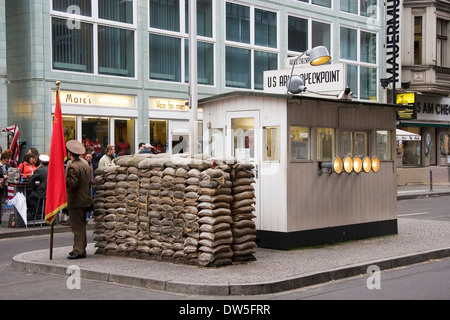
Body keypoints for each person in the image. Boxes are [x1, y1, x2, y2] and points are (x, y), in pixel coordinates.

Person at [65, 140, 94, 260]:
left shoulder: (73, 166)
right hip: (84, 198)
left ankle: (79, 250)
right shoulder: (84, 164)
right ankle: (78, 247)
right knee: (80, 224)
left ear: (69, 154)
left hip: (76, 200)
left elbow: (71, 184)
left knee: (77, 227)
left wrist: (62, 179)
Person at [27, 155, 49, 220]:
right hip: (50, 192)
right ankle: (43, 211)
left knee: (30, 198)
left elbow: (31, 180)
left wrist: (34, 188)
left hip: (41, 191)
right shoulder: (52, 169)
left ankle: (40, 211)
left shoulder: (39, 170)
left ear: (41, 162)